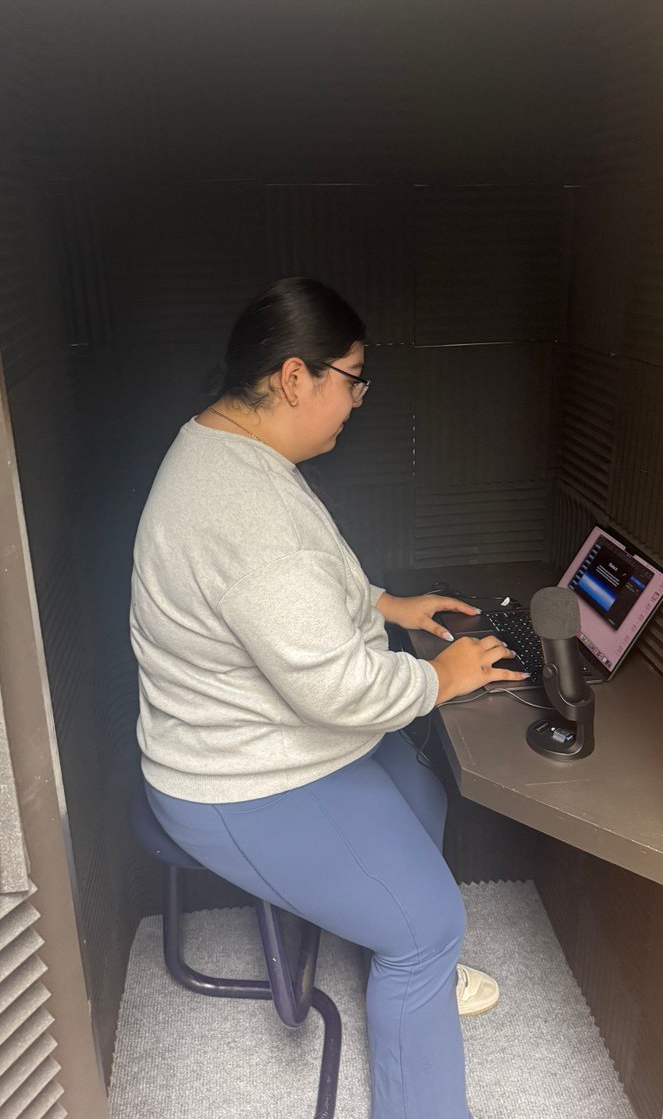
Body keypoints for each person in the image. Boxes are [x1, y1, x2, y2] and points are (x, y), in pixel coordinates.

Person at [130, 277, 527, 1119]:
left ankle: (405, 967)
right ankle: (415, 965)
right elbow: (338, 687)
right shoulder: (245, 508)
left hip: (264, 735)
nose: (357, 401)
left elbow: (303, 589)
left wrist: (388, 607)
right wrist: (441, 677)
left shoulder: (228, 446)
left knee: (420, 789)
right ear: (293, 377)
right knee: (430, 926)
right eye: (352, 380)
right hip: (234, 778)